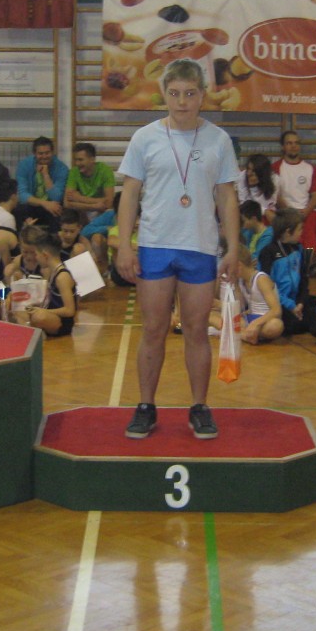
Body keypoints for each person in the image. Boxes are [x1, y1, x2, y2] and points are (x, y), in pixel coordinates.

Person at [116, 58, 240, 440]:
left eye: (189, 93)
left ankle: (199, 407)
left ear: (202, 95)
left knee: (197, 330)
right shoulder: (145, 138)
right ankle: (145, 406)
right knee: (153, 328)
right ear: (163, 95)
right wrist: (124, 246)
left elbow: (227, 196)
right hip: (155, 244)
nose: (182, 102)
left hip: (199, 247)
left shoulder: (218, 140)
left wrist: (233, 248)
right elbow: (130, 194)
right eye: (174, 93)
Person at [210, 245, 283, 344]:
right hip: (249, 319)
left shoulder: (261, 279)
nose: (228, 271)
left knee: (276, 325)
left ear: (238, 265)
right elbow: (240, 307)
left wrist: (256, 323)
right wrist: (234, 283)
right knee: (211, 316)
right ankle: (245, 335)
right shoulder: (241, 281)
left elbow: (276, 310)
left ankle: (238, 334)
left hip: (265, 321)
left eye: (229, 268)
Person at [258, 208, 312, 336]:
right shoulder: (268, 252)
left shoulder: (298, 248)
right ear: (288, 232)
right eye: (300, 229)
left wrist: (301, 302)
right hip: (278, 303)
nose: (302, 232)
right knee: (292, 324)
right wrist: (290, 305)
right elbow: (268, 287)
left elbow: (304, 279)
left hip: (296, 301)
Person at [272, 131, 316, 254]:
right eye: (289, 143)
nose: (293, 146)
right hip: (285, 211)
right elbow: (276, 196)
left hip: (307, 211)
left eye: (296, 143)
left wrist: (306, 211)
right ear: (283, 146)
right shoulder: (275, 168)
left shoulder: (310, 168)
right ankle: (292, 256)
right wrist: (291, 213)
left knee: (309, 229)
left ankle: (310, 259)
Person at [24, 230, 79, 337]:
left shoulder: (62, 277)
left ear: (45, 255)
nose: (36, 258)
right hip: (52, 314)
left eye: (36, 254)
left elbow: (70, 310)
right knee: (21, 309)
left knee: (38, 316)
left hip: (62, 322)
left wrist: (44, 311)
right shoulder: (51, 271)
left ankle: (34, 336)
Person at [15, 136, 69, 230]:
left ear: (53, 152)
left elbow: (57, 197)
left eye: (47, 153)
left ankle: (54, 239)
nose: (44, 156)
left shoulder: (62, 168)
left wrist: (45, 175)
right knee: (17, 210)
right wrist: (44, 203)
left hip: (52, 206)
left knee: (59, 212)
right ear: (34, 154)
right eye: (40, 153)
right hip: (32, 204)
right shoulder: (24, 165)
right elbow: (22, 195)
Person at [64, 142, 116, 220]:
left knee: (110, 212)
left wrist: (79, 198)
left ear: (92, 159)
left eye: (80, 160)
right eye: (75, 160)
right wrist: (93, 206)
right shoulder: (74, 172)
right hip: (85, 211)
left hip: (100, 211)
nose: (77, 163)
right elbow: (67, 203)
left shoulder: (105, 171)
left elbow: (109, 203)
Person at [235, 153, 280, 223]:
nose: (249, 173)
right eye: (248, 169)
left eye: (253, 171)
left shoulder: (275, 179)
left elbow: (269, 203)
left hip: (267, 214)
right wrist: (252, 187)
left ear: (262, 173)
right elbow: (244, 204)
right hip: (249, 214)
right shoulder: (242, 177)